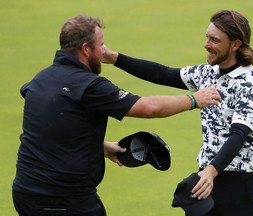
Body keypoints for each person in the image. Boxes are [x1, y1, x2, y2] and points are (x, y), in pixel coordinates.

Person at [12, 15, 222, 216]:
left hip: (25, 192)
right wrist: (194, 100)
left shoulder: (41, 79)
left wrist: (99, 146)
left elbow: (51, 125)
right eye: (101, 45)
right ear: (86, 49)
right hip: (64, 199)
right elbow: (148, 107)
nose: (104, 51)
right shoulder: (89, 86)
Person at [102, 10, 253, 216]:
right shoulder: (208, 72)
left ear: (235, 45)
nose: (206, 44)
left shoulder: (252, 85)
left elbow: (238, 136)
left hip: (238, 187)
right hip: (206, 182)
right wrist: (115, 58)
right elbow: (162, 74)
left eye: (215, 40)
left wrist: (210, 171)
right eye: (207, 37)